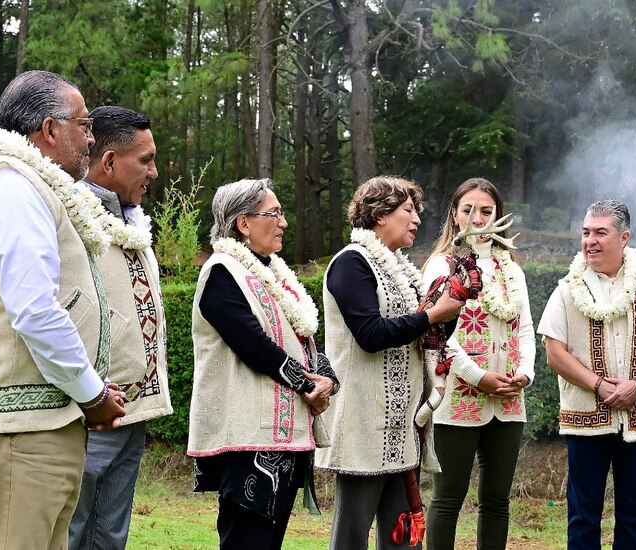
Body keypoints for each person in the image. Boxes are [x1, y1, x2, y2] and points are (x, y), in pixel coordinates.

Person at [0, 70, 126, 550]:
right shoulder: (10, 185)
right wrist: (91, 394)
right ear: (49, 129)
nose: (91, 138)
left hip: (38, 422)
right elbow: (34, 310)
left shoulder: (27, 184)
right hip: (20, 429)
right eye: (84, 124)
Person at [187, 178, 337, 549]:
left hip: (281, 436)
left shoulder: (271, 274)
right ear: (243, 223)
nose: (283, 223)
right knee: (247, 541)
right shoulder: (222, 271)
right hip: (246, 439)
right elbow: (252, 343)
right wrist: (307, 385)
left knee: (269, 542)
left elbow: (304, 336)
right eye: (274, 213)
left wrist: (327, 378)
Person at [317, 176, 465, 550]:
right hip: (363, 423)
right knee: (351, 536)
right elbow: (371, 335)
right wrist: (432, 316)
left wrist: (450, 309)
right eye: (408, 210)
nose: (416, 220)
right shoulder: (350, 263)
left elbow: (421, 334)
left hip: (403, 427)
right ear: (380, 214)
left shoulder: (400, 270)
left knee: (402, 540)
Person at [538, 199, 636, 549]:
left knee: (633, 516)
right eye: (585, 232)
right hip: (585, 417)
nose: (590, 240)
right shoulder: (568, 288)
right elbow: (554, 352)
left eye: (600, 232)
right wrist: (596, 383)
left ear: (624, 237)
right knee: (582, 515)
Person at [68, 105, 173, 550]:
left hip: (133, 410)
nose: (154, 172)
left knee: (110, 535)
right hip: (90, 413)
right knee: (73, 530)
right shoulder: (70, 216)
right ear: (109, 161)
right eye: (145, 160)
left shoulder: (131, 220)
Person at [421, 178, 536, 550]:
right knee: (449, 496)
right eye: (468, 209)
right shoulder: (442, 265)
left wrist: (526, 374)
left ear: (498, 217)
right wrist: (477, 375)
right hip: (457, 396)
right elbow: (438, 333)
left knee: (497, 501)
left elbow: (526, 330)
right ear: (454, 215)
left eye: (486, 211)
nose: (477, 218)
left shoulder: (512, 270)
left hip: (508, 397)